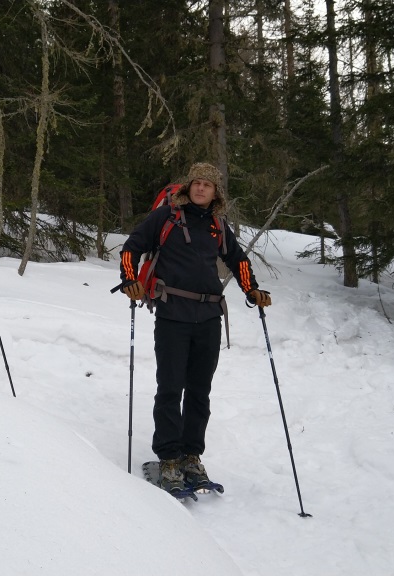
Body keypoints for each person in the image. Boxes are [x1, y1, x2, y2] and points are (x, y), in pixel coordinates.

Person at [118, 162, 272, 494]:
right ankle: (169, 458)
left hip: (209, 318)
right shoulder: (166, 217)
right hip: (172, 315)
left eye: (208, 184)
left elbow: (238, 260)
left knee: (200, 391)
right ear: (188, 187)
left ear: (216, 193)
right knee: (171, 388)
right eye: (197, 183)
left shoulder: (217, 225)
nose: (201, 188)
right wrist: (129, 279)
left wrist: (252, 290)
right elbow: (131, 247)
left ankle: (191, 456)